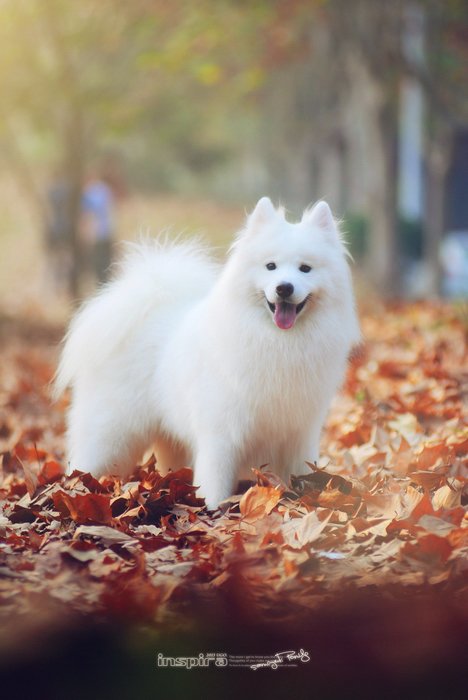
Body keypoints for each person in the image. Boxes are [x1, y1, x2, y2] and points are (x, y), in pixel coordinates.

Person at [81, 170, 115, 284]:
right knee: (107, 261)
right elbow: (111, 209)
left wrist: (87, 234)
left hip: (96, 233)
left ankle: (101, 284)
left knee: (98, 263)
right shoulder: (105, 189)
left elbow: (87, 215)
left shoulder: (87, 193)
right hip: (107, 230)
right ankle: (106, 283)